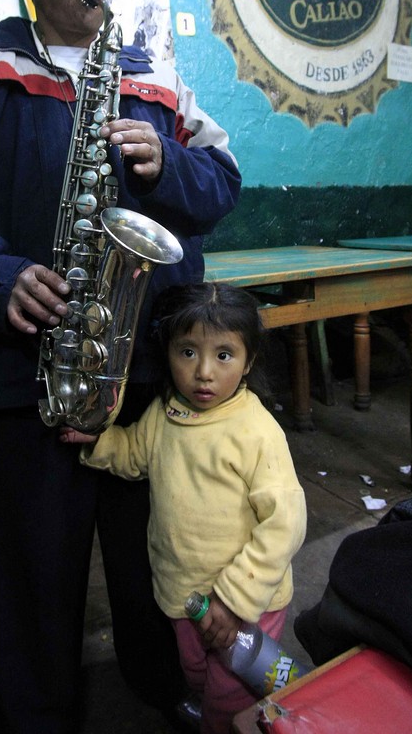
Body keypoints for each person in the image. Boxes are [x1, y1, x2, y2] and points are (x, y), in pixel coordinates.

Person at [0, 0, 242, 734]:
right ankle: (38, 716)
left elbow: (222, 183)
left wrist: (171, 169)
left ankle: (159, 688)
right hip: (29, 372)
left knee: (153, 555)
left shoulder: (155, 80)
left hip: (151, 371)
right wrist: (0, 278)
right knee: (35, 569)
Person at [62, 282, 307, 734]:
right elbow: (135, 454)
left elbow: (284, 523)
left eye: (224, 355)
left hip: (245, 604)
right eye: (188, 352)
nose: (204, 373)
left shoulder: (256, 432)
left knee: (228, 697)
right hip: (183, 598)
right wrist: (98, 441)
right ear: (167, 353)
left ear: (249, 361)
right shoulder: (166, 413)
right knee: (199, 676)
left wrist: (234, 600)